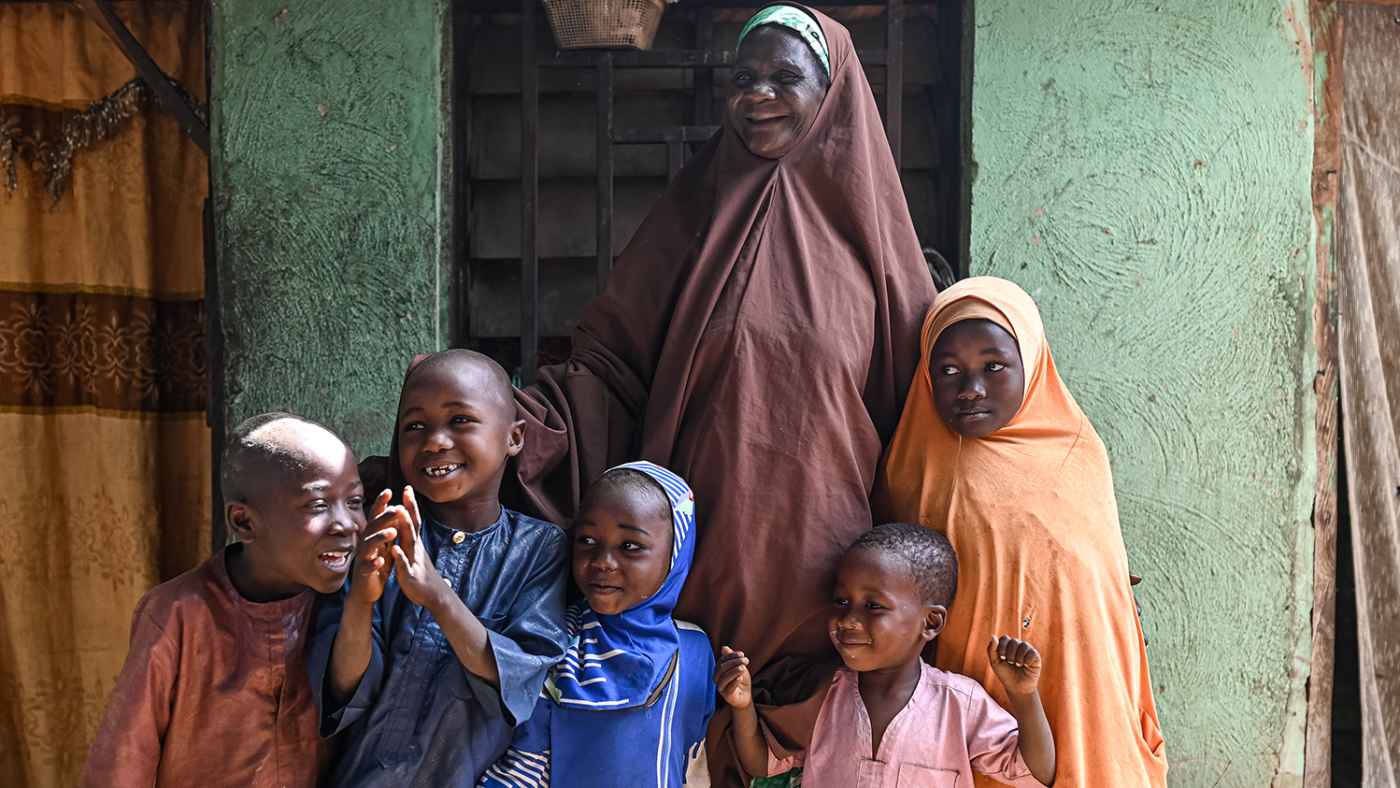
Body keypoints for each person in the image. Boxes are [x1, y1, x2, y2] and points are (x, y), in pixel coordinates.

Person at [498, 5, 938, 782]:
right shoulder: (694, 215)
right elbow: (611, 364)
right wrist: (499, 424)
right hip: (694, 549)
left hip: (818, 560)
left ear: (831, 93)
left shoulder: (872, 242)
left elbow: (925, 412)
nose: (757, 94)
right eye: (743, 78)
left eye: (783, 78)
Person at [871, 277, 1169, 788]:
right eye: (948, 370)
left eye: (994, 366)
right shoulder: (910, 465)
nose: (971, 387)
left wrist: (1107, 591)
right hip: (968, 675)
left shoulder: (1077, 451)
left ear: (1030, 362)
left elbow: (1091, 561)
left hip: (1074, 669)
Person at [312, 350, 569, 788]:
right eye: (414, 426)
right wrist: (360, 601)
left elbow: (517, 680)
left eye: (460, 420)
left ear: (514, 437)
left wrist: (437, 595)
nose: (434, 441)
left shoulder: (538, 549)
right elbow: (342, 690)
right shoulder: (381, 534)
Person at [79, 413, 366, 788]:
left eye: (355, 500)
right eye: (317, 505)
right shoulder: (178, 613)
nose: (347, 523)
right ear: (244, 521)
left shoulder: (348, 604)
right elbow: (122, 764)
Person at [717, 523, 1056, 787]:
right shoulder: (822, 692)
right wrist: (743, 706)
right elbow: (762, 762)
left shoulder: (960, 705)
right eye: (841, 601)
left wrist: (1023, 695)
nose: (848, 620)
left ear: (930, 622)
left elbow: (1034, 774)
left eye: (873, 606)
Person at [480, 462, 714, 788]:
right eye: (587, 540)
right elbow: (525, 767)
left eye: (630, 546)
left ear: (676, 555)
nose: (603, 561)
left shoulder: (695, 650)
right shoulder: (557, 644)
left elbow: (693, 761)